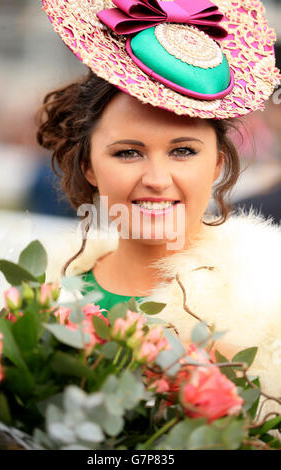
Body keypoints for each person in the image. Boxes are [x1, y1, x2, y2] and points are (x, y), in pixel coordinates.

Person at [38, 0, 281, 417]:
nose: (156, 178)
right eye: (128, 153)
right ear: (88, 165)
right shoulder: (35, 304)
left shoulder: (268, 310)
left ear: (218, 163)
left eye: (183, 151)